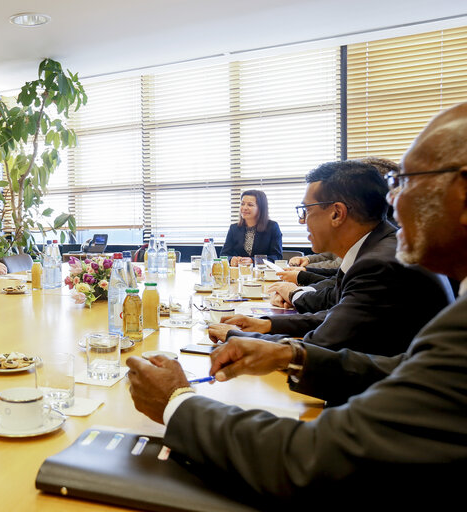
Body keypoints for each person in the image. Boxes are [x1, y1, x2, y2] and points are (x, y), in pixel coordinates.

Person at [126, 102, 467, 506]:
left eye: (404, 181)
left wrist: (177, 402)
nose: (391, 201)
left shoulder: (390, 266)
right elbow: (401, 367)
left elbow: (312, 457)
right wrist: (288, 355)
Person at [211, 160, 452, 355]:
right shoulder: (377, 247)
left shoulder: (379, 264)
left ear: (337, 213)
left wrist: (236, 336)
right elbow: (336, 316)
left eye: (307, 210)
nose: (302, 220)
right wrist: (267, 324)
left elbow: (321, 343)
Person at [219, 190, 282, 265]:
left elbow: (277, 257)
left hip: (262, 273)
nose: (244, 208)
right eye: (242, 204)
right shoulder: (234, 228)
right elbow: (224, 255)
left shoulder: (272, 227)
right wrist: (231, 259)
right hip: (239, 272)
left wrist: (253, 261)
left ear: (261, 208)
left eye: (250, 205)